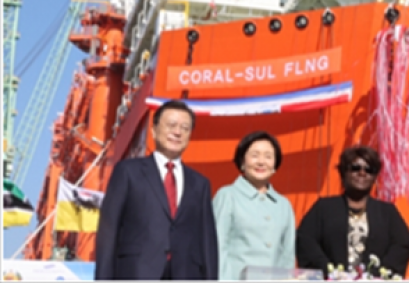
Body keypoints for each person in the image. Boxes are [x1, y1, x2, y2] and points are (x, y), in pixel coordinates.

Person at [95, 100, 218, 280]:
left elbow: (208, 243)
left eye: (185, 128)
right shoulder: (128, 172)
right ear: (153, 130)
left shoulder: (200, 184)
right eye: (171, 125)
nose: (178, 132)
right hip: (136, 272)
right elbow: (109, 231)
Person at [296, 146, 409, 278]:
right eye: (355, 168)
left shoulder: (388, 212)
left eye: (369, 170)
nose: (362, 173)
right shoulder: (323, 208)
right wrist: (330, 273)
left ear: (374, 177)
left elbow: (401, 245)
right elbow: (305, 240)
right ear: (343, 172)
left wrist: (377, 276)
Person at [213, 131, 296, 280]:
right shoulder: (227, 196)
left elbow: (287, 256)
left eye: (268, 156)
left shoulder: (284, 205)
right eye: (255, 155)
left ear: (275, 165)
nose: (261, 162)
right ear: (243, 162)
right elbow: (217, 248)